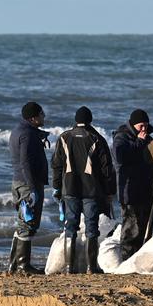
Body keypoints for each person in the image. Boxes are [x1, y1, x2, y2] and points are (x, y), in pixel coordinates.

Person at [51, 106, 116, 273]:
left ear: (75, 120)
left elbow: (56, 165)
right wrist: (109, 192)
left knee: (70, 226)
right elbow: (107, 169)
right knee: (91, 227)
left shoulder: (64, 138)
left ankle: (68, 267)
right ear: (90, 120)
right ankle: (91, 267)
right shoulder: (97, 139)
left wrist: (57, 187)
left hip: (69, 189)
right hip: (91, 191)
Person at [8, 101, 48, 275]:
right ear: (33, 118)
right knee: (28, 223)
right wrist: (32, 188)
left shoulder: (19, 130)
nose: (44, 116)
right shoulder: (27, 135)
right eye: (41, 114)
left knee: (23, 222)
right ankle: (24, 265)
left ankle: (14, 264)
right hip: (26, 185)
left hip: (19, 182)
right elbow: (25, 162)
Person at [112, 108, 153, 261]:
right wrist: (139, 142)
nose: (144, 129)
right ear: (133, 125)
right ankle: (126, 261)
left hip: (146, 190)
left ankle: (139, 261)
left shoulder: (148, 139)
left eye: (146, 126)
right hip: (129, 191)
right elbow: (120, 157)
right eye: (140, 126)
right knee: (131, 230)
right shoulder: (121, 137)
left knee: (144, 229)